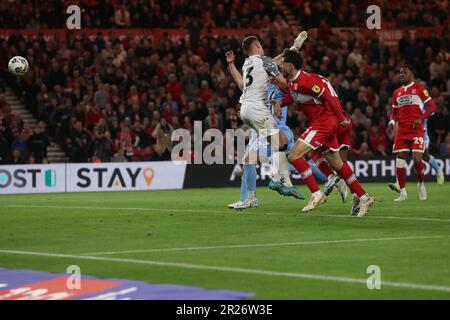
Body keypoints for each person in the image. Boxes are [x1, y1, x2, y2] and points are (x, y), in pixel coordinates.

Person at [274, 49, 375, 217]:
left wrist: (341, 117)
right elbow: (294, 96)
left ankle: (316, 193)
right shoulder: (293, 81)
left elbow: (328, 97)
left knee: (294, 156)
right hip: (322, 123)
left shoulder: (307, 81)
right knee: (337, 164)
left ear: (290, 66)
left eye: (282, 63)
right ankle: (363, 196)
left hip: (324, 123)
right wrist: (280, 102)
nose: (280, 66)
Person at [225, 36, 292, 209]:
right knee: (276, 149)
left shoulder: (250, 66)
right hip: (259, 116)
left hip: (255, 115)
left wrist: (231, 64)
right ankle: (274, 183)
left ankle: (254, 195)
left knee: (252, 158)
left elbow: (274, 64)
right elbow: (276, 71)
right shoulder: (263, 68)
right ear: (257, 45)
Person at [388, 64, 437, 201]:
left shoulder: (420, 89)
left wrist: (420, 118)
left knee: (417, 159)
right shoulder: (396, 92)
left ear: (412, 74)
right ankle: (403, 193)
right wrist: (392, 122)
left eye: (405, 72)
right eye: (400, 72)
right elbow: (394, 113)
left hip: (416, 130)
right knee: (400, 158)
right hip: (402, 131)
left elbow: (432, 107)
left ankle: (421, 183)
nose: (402, 74)